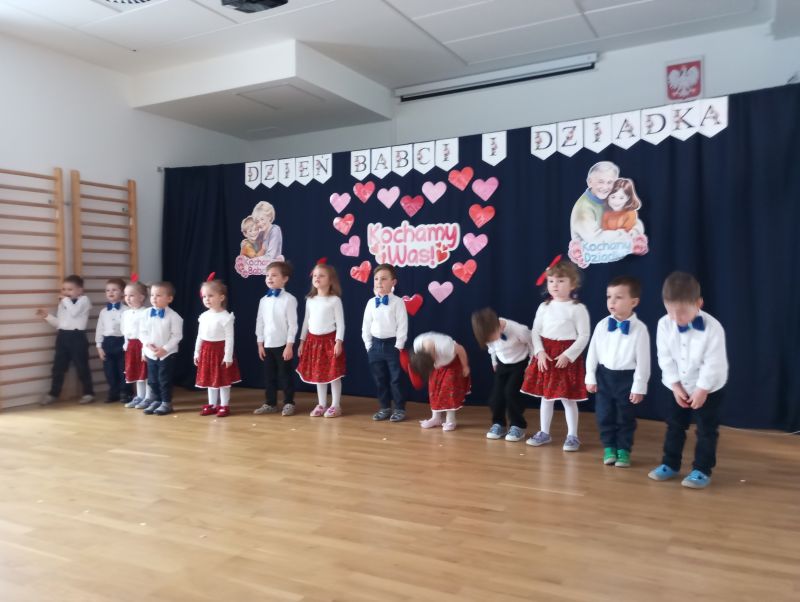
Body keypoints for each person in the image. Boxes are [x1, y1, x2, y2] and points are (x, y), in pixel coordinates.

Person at [648, 272, 728, 489]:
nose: (676, 318)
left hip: (709, 388)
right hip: (678, 386)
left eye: (682, 312)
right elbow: (664, 357)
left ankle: (702, 469)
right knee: (675, 425)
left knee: (706, 430)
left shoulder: (713, 328)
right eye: (670, 311)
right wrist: (675, 386)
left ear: (698, 304)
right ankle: (670, 463)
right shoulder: (664, 325)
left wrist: (702, 389)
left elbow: (713, 363)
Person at [521, 260, 590, 451]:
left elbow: (584, 336)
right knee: (546, 397)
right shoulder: (544, 307)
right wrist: (539, 352)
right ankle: (544, 432)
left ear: (572, 284)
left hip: (565, 358)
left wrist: (568, 355)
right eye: (551, 281)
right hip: (547, 356)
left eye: (560, 281)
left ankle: (573, 436)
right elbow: (535, 331)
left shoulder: (577, 309)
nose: (555, 285)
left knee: (568, 399)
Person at [585, 276, 650, 467]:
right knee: (604, 414)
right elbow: (593, 352)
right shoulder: (602, 325)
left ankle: (623, 449)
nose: (612, 301)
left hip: (627, 379)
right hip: (604, 377)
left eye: (618, 297)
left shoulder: (640, 329)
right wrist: (590, 376)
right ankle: (609, 447)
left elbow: (643, 361)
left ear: (634, 302)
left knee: (625, 417)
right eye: (609, 297)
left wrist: (639, 386)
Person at [471, 308, 531, 442]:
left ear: (497, 326)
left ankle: (518, 425)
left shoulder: (518, 330)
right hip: (502, 364)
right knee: (496, 397)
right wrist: (494, 362)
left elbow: (532, 344)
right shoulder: (487, 332)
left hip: (520, 364)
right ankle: (499, 424)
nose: (491, 340)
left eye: (492, 336)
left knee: (511, 393)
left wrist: (531, 364)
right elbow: (492, 348)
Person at [296, 261, 346, 417]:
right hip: (313, 342)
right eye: (315, 275)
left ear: (330, 280)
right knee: (319, 375)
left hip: (330, 342)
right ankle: (322, 404)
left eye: (322, 276)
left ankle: (336, 405)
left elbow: (341, 324)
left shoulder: (334, 300)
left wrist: (338, 342)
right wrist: (302, 341)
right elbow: (306, 322)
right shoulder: (310, 300)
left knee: (333, 375)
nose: (317, 278)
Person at [36, 274, 94, 405]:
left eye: (70, 289)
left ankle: (88, 393)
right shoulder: (63, 303)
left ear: (80, 290)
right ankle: (53, 393)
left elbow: (75, 312)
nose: (66, 292)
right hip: (63, 336)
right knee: (58, 367)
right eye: (64, 289)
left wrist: (65, 300)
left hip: (77, 337)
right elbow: (59, 323)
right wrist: (47, 316)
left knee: (82, 366)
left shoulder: (84, 300)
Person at [362, 264, 408, 422]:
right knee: (380, 380)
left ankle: (400, 408)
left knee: (396, 379)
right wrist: (369, 346)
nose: (379, 282)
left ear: (393, 282)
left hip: (392, 346)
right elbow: (366, 326)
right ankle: (384, 407)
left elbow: (402, 326)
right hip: (375, 346)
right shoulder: (371, 303)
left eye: (383, 279)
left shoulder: (398, 302)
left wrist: (399, 346)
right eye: (376, 279)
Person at [254, 261, 298, 416]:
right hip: (267, 344)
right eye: (267, 275)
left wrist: (289, 345)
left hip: (282, 344)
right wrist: (260, 343)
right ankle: (270, 403)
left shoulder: (289, 299)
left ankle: (289, 402)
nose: (269, 278)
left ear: (285, 279)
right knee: (269, 376)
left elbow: (293, 324)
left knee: (285, 375)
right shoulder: (263, 300)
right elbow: (260, 322)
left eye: (274, 275)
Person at [195, 279, 241, 417]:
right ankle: (212, 404)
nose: (206, 299)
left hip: (220, 352)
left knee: (223, 381)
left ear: (221, 297)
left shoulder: (226, 317)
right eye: (204, 296)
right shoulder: (204, 316)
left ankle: (224, 405)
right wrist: (196, 353)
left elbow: (229, 338)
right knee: (210, 379)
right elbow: (200, 336)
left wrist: (228, 356)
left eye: (210, 295)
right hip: (206, 351)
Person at [409, 332, 470, 432]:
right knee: (433, 389)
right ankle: (436, 418)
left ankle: (450, 420)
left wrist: (465, 366)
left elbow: (460, 349)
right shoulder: (417, 345)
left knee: (448, 391)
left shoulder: (445, 346)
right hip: (436, 366)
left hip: (452, 363)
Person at [139, 282, 183, 416]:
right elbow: (142, 332)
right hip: (151, 353)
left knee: (164, 379)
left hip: (167, 354)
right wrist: (147, 344)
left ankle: (166, 402)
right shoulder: (146, 314)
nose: (154, 298)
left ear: (169, 298)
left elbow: (177, 336)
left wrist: (165, 349)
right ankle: (157, 400)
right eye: (152, 295)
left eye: (158, 295)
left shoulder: (174, 316)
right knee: (152, 380)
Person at [95, 278, 128, 403]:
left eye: (114, 290)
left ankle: (125, 392)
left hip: (122, 342)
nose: (110, 292)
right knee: (109, 370)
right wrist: (99, 346)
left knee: (123, 369)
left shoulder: (127, 310)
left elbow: (129, 329)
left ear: (122, 293)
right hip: (107, 343)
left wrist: (127, 345)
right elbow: (100, 329)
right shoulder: (103, 312)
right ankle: (113, 392)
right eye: (108, 290)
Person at [122, 280, 152, 409]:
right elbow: (125, 330)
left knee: (145, 373)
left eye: (131, 295)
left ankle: (148, 397)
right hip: (131, 346)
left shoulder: (146, 312)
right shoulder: (126, 313)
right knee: (136, 373)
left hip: (142, 346)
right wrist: (126, 343)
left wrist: (145, 350)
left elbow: (148, 332)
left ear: (141, 297)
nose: (128, 298)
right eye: (126, 295)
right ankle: (140, 396)